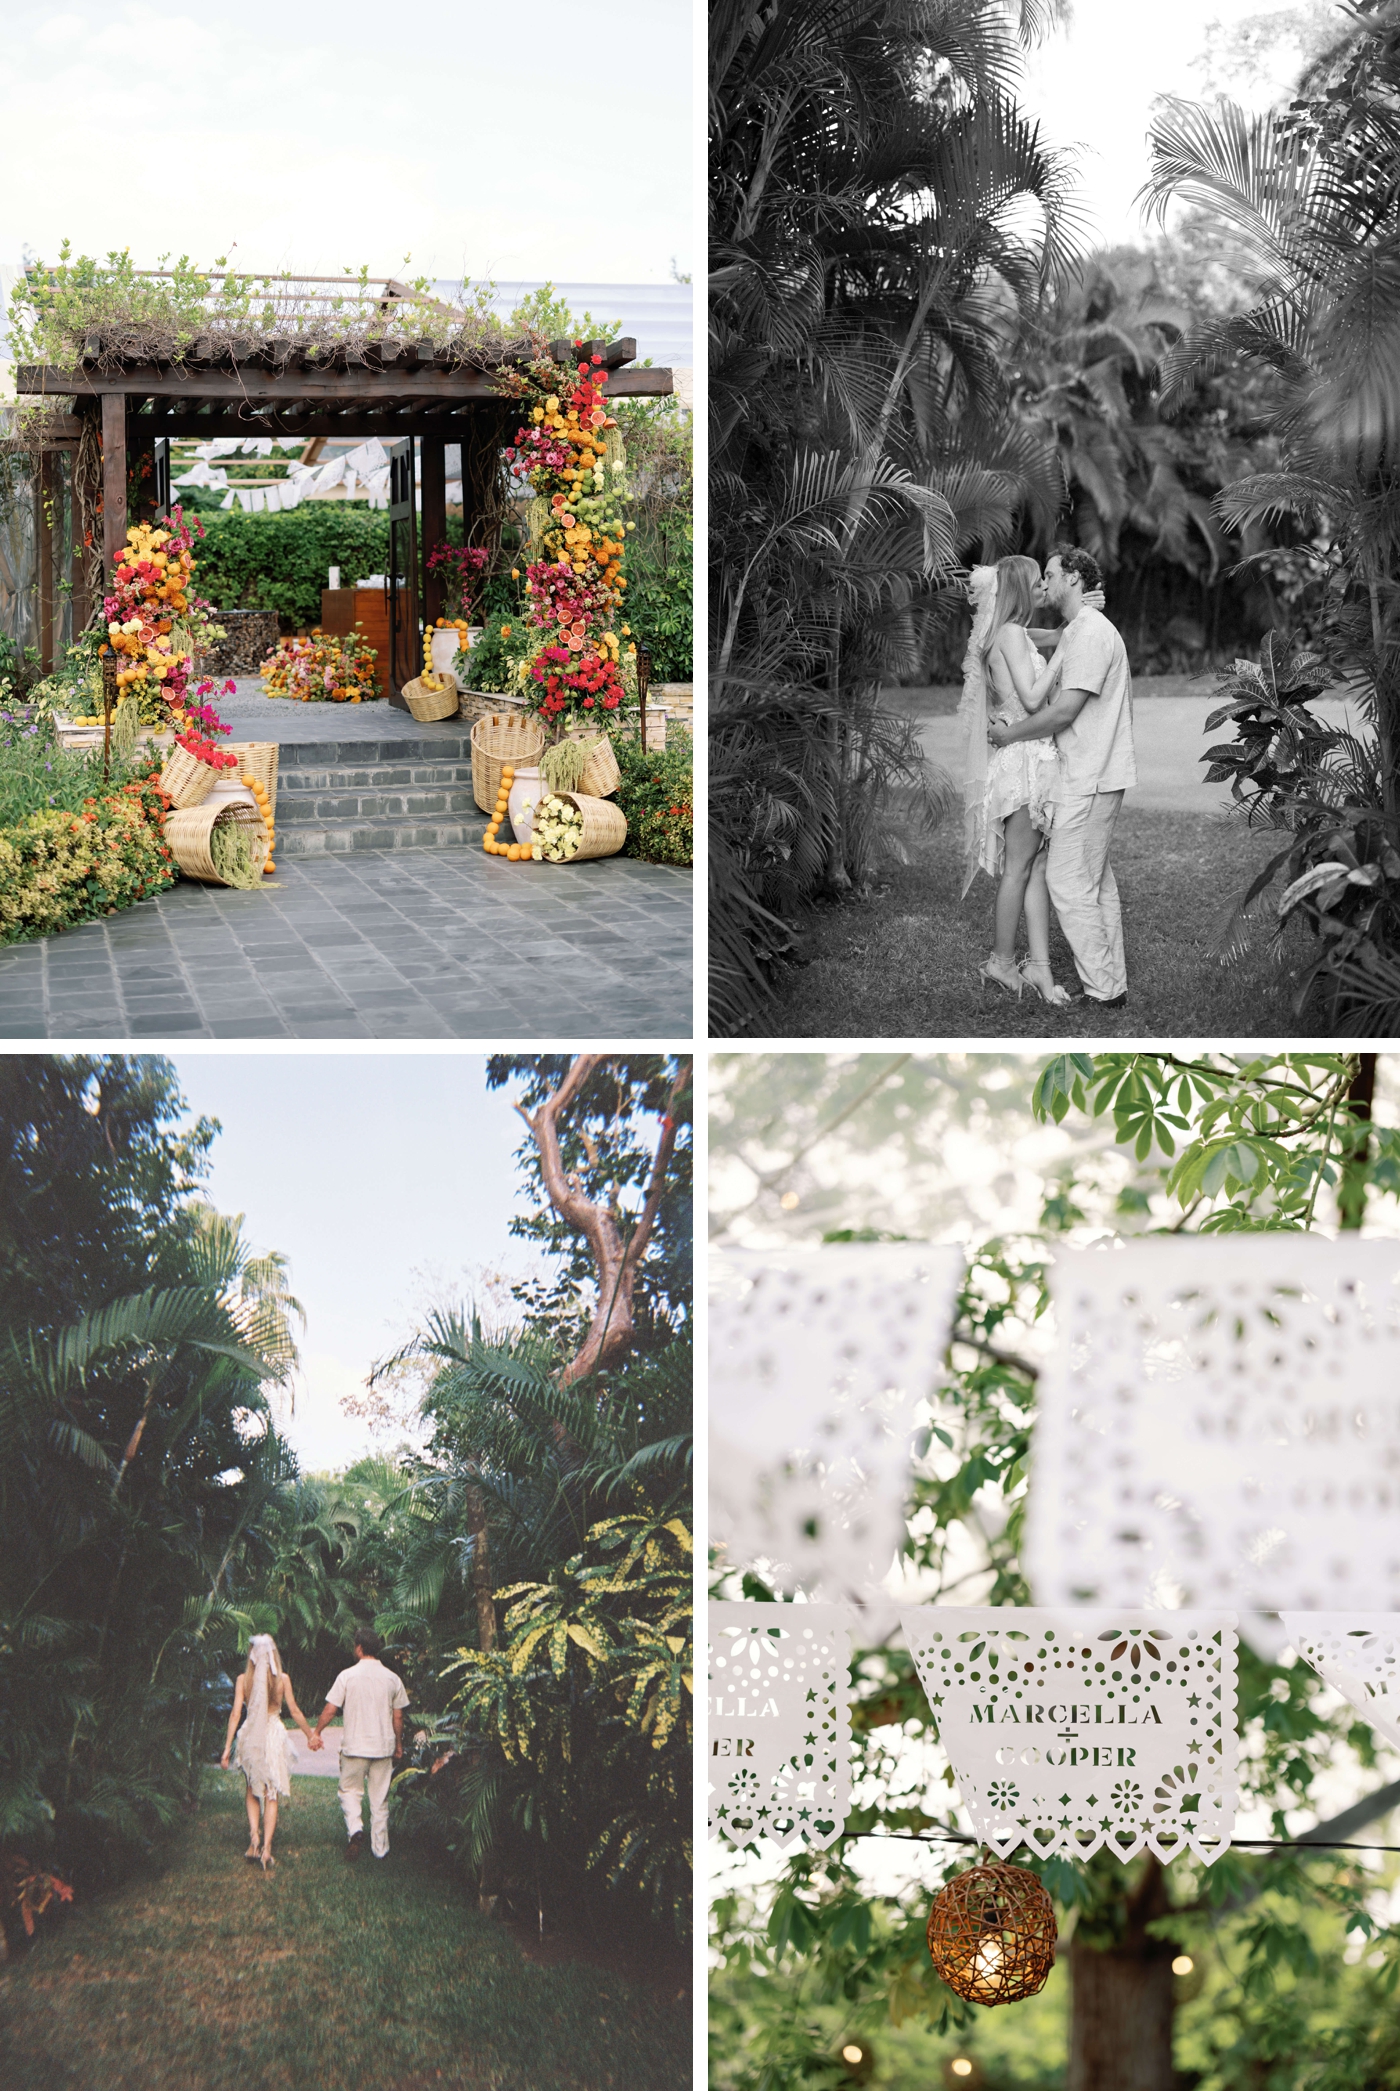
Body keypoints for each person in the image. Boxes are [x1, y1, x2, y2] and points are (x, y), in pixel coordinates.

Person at [987, 546, 1137, 1006]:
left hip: (1090, 774)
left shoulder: (1089, 634)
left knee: (1069, 882)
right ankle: (1111, 983)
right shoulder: (1079, 630)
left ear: (1072, 578)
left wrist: (1009, 735)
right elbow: (1024, 639)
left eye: (1050, 574)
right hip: (1085, 772)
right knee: (1093, 882)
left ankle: (1103, 990)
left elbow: (1062, 711)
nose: (1044, 583)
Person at [960, 556, 1070, 1004]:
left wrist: (1074, 622)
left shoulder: (1012, 632)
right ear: (1021, 589)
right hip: (1023, 760)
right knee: (1020, 868)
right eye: (1037, 581)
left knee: (1034, 865)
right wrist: (1059, 660)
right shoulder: (1008, 633)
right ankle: (1001, 962)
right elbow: (1030, 698)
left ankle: (1039, 966)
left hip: (1030, 756)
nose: (1044, 586)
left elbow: (1052, 635)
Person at [220, 1633, 322, 1871]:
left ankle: (253, 1836)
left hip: (251, 1735)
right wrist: (311, 1735)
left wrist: (226, 1748)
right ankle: (266, 1847)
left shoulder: (243, 1680)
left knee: (251, 1788)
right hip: (273, 1735)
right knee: (271, 1793)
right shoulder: (282, 1679)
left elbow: (235, 1714)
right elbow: (294, 1711)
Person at [313, 1628, 409, 1862]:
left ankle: (355, 1829)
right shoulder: (392, 1679)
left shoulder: (347, 1676)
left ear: (359, 1648)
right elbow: (398, 1717)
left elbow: (331, 1709)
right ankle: (380, 1849)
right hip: (382, 1747)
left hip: (355, 1746)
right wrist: (398, 1745)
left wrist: (317, 1731)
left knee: (349, 1791)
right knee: (380, 1799)